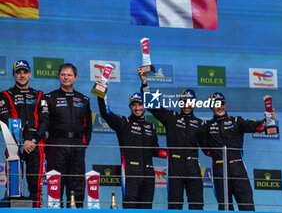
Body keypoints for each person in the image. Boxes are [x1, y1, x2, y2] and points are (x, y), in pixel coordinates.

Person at [138, 68, 205, 210]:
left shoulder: (200, 123)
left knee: (197, 204)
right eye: (184, 101)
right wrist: (144, 83)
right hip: (175, 167)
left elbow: (210, 144)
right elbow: (152, 106)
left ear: (194, 103)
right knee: (174, 205)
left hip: (193, 168)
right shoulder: (171, 117)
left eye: (190, 101)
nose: (187, 104)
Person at [97, 78, 166, 209]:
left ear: (145, 106)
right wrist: (101, 92)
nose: (137, 108)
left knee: (146, 208)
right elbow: (106, 113)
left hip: (149, 173)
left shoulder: (151, 126)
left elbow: (154, 150)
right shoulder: (124, 123)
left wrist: (169, 153)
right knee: (130, 207)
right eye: (134, 105)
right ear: (130, 107)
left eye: (140, 104)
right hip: (131, 171)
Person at [204, 92, 275, 211]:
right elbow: (204, 148)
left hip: (238, 169)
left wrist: (268, 119)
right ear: (211, 106)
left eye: (222, 103)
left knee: (247, 206)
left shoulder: (237, 121)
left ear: (225, 105)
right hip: (219, 170)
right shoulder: (206, 125)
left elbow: (257, 127)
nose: (220, 107)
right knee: (225, 208)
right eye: (216, 104)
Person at [0, 60, 48, 208]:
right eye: (19, 72)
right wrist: (21, 141)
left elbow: (45, 121)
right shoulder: (5, 96)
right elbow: (6, 119)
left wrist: (31, 139)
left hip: (36, 144)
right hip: (14, 144)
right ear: (14, 74)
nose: (22, 75)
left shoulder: (40, 95)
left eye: (25, 72)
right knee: (14, 188)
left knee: (36, 187)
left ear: (30, 74)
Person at [45, 63, 92, 208]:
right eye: (63, 74)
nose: (66, 77)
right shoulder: (50, 97)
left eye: (69, 75)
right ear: (59, 76)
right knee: (56, 182)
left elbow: (88, 125)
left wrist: (83, 144)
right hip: (56, 143)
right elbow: (44, 122)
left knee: (77, 183)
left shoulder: (84, 99)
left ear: (75, 77)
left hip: (77, 145)